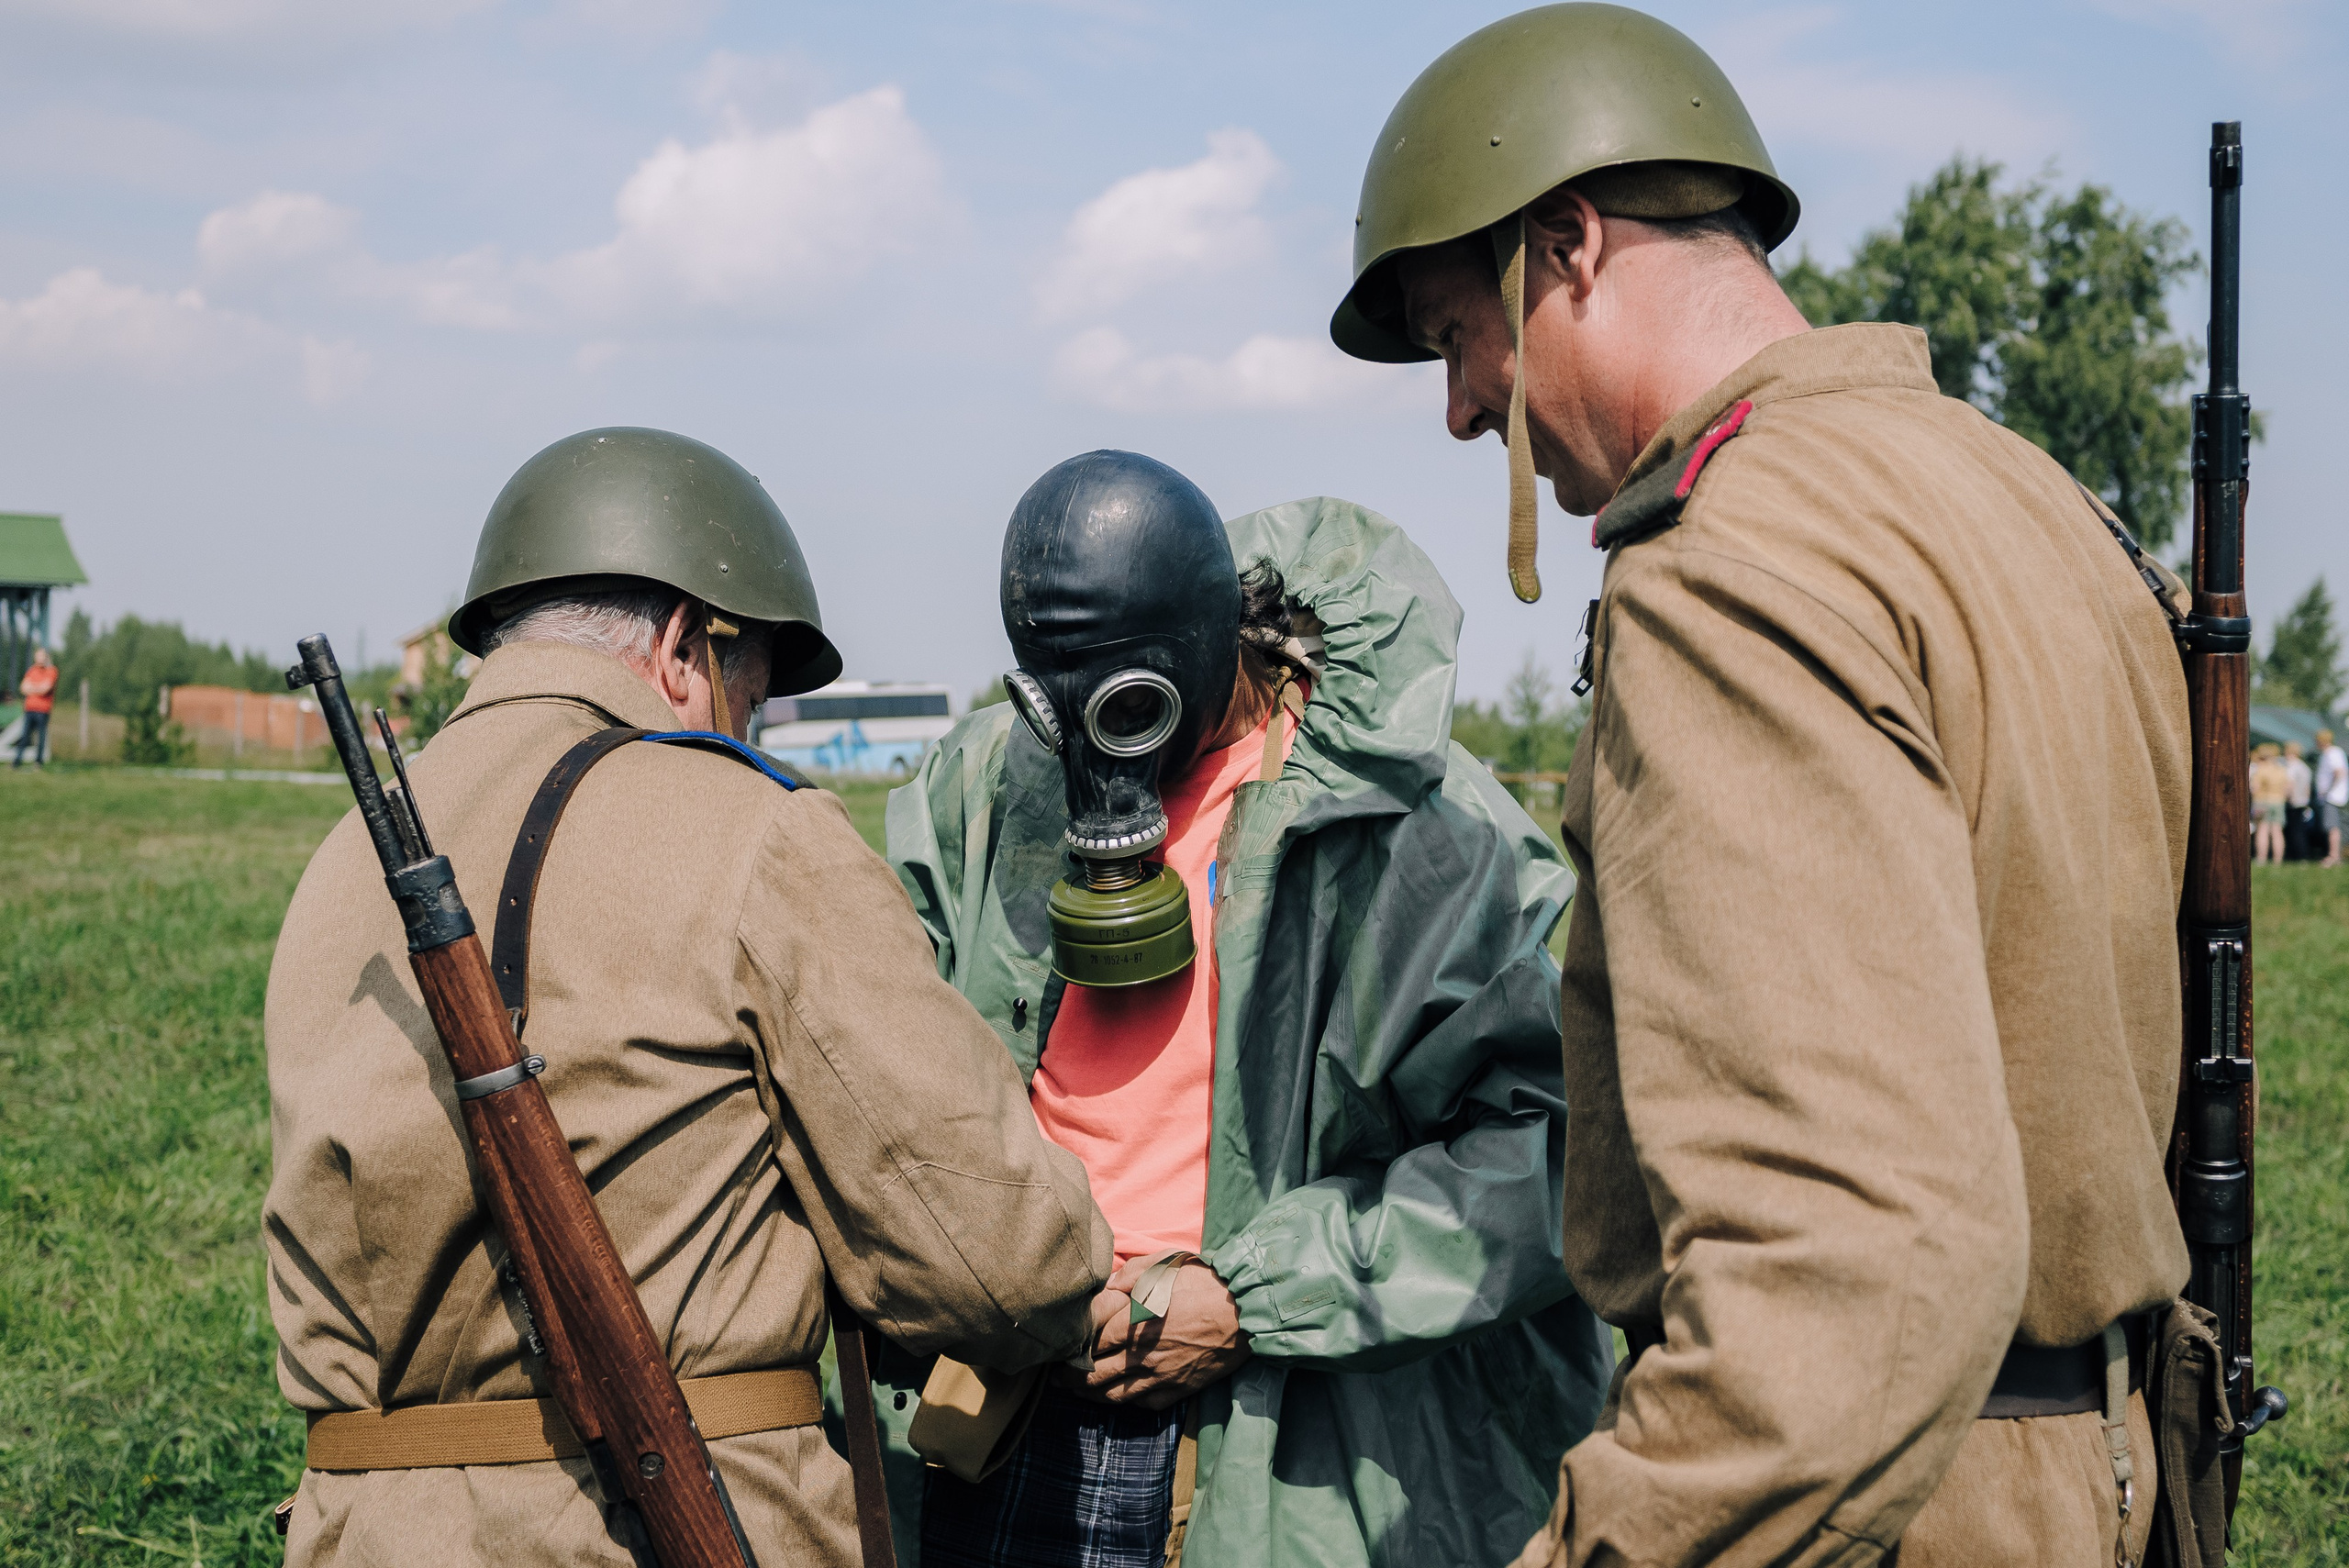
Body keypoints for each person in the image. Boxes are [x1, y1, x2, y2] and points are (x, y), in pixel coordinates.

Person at [1329, 6, 2194, 1564]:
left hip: (1871, 1501)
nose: (1461, 406)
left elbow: (1849, 1265)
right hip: (2097, 1462)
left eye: (1462, 331)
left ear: (1571, 242)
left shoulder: (1730, 560)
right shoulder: (2028, 500)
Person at [264, 427, 1111, 1567]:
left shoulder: (337, 867)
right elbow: (999, 1262)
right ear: (683, 643)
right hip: (673, 1527)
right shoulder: (752, 828)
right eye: (749, 693)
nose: (745, 725)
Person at [885, 451, 1610, 1567]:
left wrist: (1252, 1296)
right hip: (1014, 1405)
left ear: (1215, 639)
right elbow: (871, 1060)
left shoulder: (1410, 824)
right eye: (1054, 695)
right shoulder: (988, 784)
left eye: (1126, 703)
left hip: (1287, 1427)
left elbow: (1555, 1151)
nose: (1088, 738)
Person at [13, 646, 55, 767]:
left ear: (46, 657)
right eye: (38, 656)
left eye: (42, 656)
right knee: (24, 735)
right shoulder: (32, 670)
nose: (40, 658)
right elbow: (23, 688)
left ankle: (38, 762)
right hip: (29, 708)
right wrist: (38, 687)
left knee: (40, 737)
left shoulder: (51, 671)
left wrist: (32, 688)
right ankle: (17, 761)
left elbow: (45, 689)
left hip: (43, 710)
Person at [2251, 742, 2289, 866]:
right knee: (2277, 831)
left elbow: (2254, 788)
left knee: (2262, 830)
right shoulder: (2281, 770)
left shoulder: (2260, 770)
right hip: (2278, 802)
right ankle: (2278, 861)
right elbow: (2288, 788)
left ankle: (2261, 859)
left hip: (2262, 802)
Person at [2315, 728, 2346, 866]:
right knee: (2335, 826)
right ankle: (2336, 855)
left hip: (2332, 797)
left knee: (2332, 827)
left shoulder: (2332, 753)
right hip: (2335, 796)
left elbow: (2339, 772)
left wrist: (2327, 790)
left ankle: (2333, 856)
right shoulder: (2333, 752)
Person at [2284, 740, 2315, 861]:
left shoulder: (2292, 766)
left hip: (2293, 801)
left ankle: (2296, 855)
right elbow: (2308, 788)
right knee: (2301, 829)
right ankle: (2303, 855)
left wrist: (2287, 797)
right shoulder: (2305, 767)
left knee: (2294, 830)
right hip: (2303, 801)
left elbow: (2290, 784)